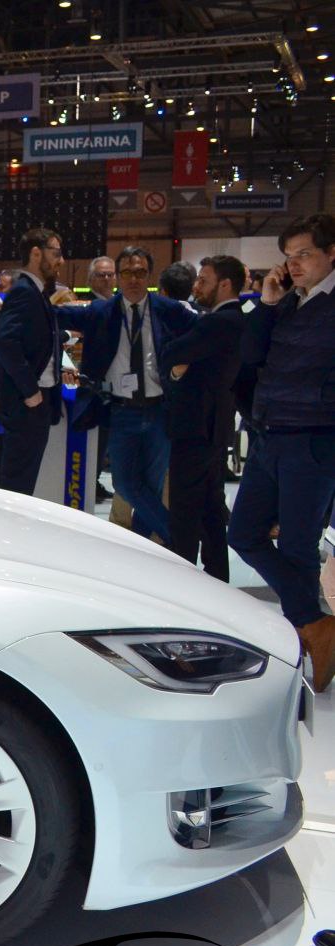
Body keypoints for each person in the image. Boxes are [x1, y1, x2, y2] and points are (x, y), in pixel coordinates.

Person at [229, 213, 335, 691]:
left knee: (297, 545)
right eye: (289, 256)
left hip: (314, 438)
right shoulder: (289, 301)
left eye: (304, 254)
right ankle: (314, 623)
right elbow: (251, 356)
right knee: (243, 534)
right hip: (269, 433)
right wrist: (268, 303)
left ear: (331, 253)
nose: (294, 264)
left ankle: (308, 636)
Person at [55, 246, 195, 540]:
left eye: (140, 272)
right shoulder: (100, 312)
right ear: (119, 276)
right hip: (121, 410)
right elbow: (56, 315)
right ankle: (180, 537)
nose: (134, 279)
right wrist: (9, 304)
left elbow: (207, 331)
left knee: (152, 488)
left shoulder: (168, 311)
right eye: (128, 272)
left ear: (150, 275)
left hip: (160, 410)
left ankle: (145, 550)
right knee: (125, 484)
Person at [161, 254, 246, 580]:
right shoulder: (236, 320)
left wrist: (176, 366)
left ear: (225, 284)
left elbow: (171, 353)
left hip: (195, 427)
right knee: (210, 508)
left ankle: (182, 584)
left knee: (185, 512)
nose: (196, 286)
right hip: (214, 427)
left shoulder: (217, 323)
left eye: (203, 280)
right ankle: (217, 577)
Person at [0, 229, 65, 495]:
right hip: (26, 405)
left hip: (35, 404)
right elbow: (6, 342)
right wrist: (31, 391)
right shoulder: (24, 291)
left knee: (23, 483)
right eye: (56, 254)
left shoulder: (35, 291)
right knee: (17, 487)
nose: (61, 261)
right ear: (36, 253)